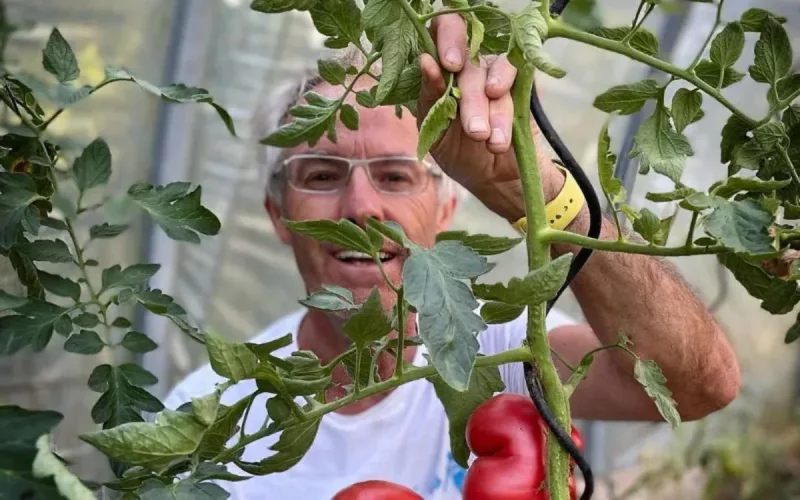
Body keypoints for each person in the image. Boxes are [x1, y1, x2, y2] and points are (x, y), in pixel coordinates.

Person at [163, 14, 741, 500]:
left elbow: (697, 385)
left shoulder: (498, 349)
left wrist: (528, 186)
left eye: (396, 175)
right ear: (277, 213)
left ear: (444, 210)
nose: (360, 207)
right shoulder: (207, 421)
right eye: (320, 175)